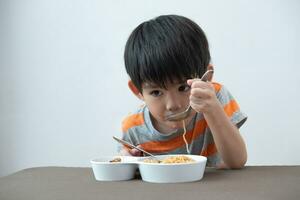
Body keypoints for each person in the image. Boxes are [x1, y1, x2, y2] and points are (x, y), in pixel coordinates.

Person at [118, 14, 247, 169]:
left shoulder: (213, 97)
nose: (173, 105)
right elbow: (125, 167)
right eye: (156, 93)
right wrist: (127, 161)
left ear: (207, 79)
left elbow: (237, 162)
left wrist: (213, 110)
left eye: (183, 88)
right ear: (137, 91)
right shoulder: (134, 128)